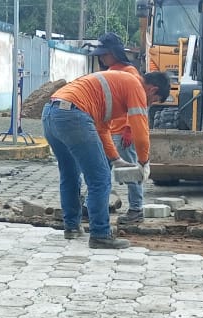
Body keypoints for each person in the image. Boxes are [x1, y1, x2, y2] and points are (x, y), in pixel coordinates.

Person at [43, 70, 170, 249]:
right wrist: (144, 161)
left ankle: (71, 227)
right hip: (73, 116)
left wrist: (116, 159)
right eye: (154, 100)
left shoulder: (115, 87)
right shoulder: (136, 87)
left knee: (70, 173)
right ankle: (100, 234)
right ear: (152, 89)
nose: (150, 103)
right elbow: (141, 131)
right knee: (100, 178)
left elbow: (102, 129)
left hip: (51, 113)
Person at [90, 32, 146, 224]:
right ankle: (95, 206)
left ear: (114, 53)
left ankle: (136, 209)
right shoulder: (110, 71)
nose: (102, 58)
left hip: (123, 132)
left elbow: (137, 104)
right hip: (108, 131)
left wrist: (129, 128)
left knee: (130, 171)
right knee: (101, 171)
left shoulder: (130, 72)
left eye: (105, 54)